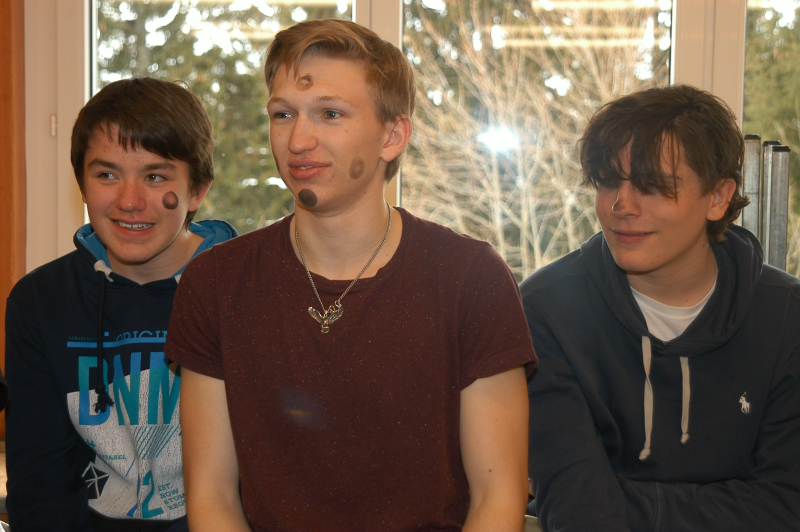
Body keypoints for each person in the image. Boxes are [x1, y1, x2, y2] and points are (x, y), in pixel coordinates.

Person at [165, 19, 536, 532]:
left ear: (392, 135)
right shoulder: (216, 283)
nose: (298, 139)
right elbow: (212, 497)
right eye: (283, 114)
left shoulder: (470, 278)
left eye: (330, 114)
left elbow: (499, 497)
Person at [521, 84, 800, 531]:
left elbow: (785, 506)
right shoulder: (545, 311)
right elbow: (578, 510)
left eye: (652, 186)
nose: (621, 205)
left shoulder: (787, 317)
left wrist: (622, 499)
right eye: (607, 181)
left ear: (717, 197)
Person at [5, 77, 237, 531]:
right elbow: (39, 482)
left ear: (197, 190)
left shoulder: (247, 293)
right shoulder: (40, 301)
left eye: (155, 177)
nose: (130, 201)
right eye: (107, 175)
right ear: (82, 184)